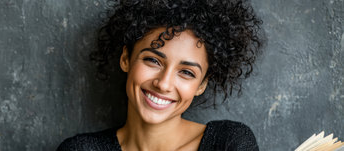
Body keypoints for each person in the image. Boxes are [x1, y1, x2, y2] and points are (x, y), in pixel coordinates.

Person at [58, 0, 264, 150]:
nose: (163, 84)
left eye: (186, 72)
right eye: (153, 61)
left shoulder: (229, 143)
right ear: (126, 59)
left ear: (201, 85)